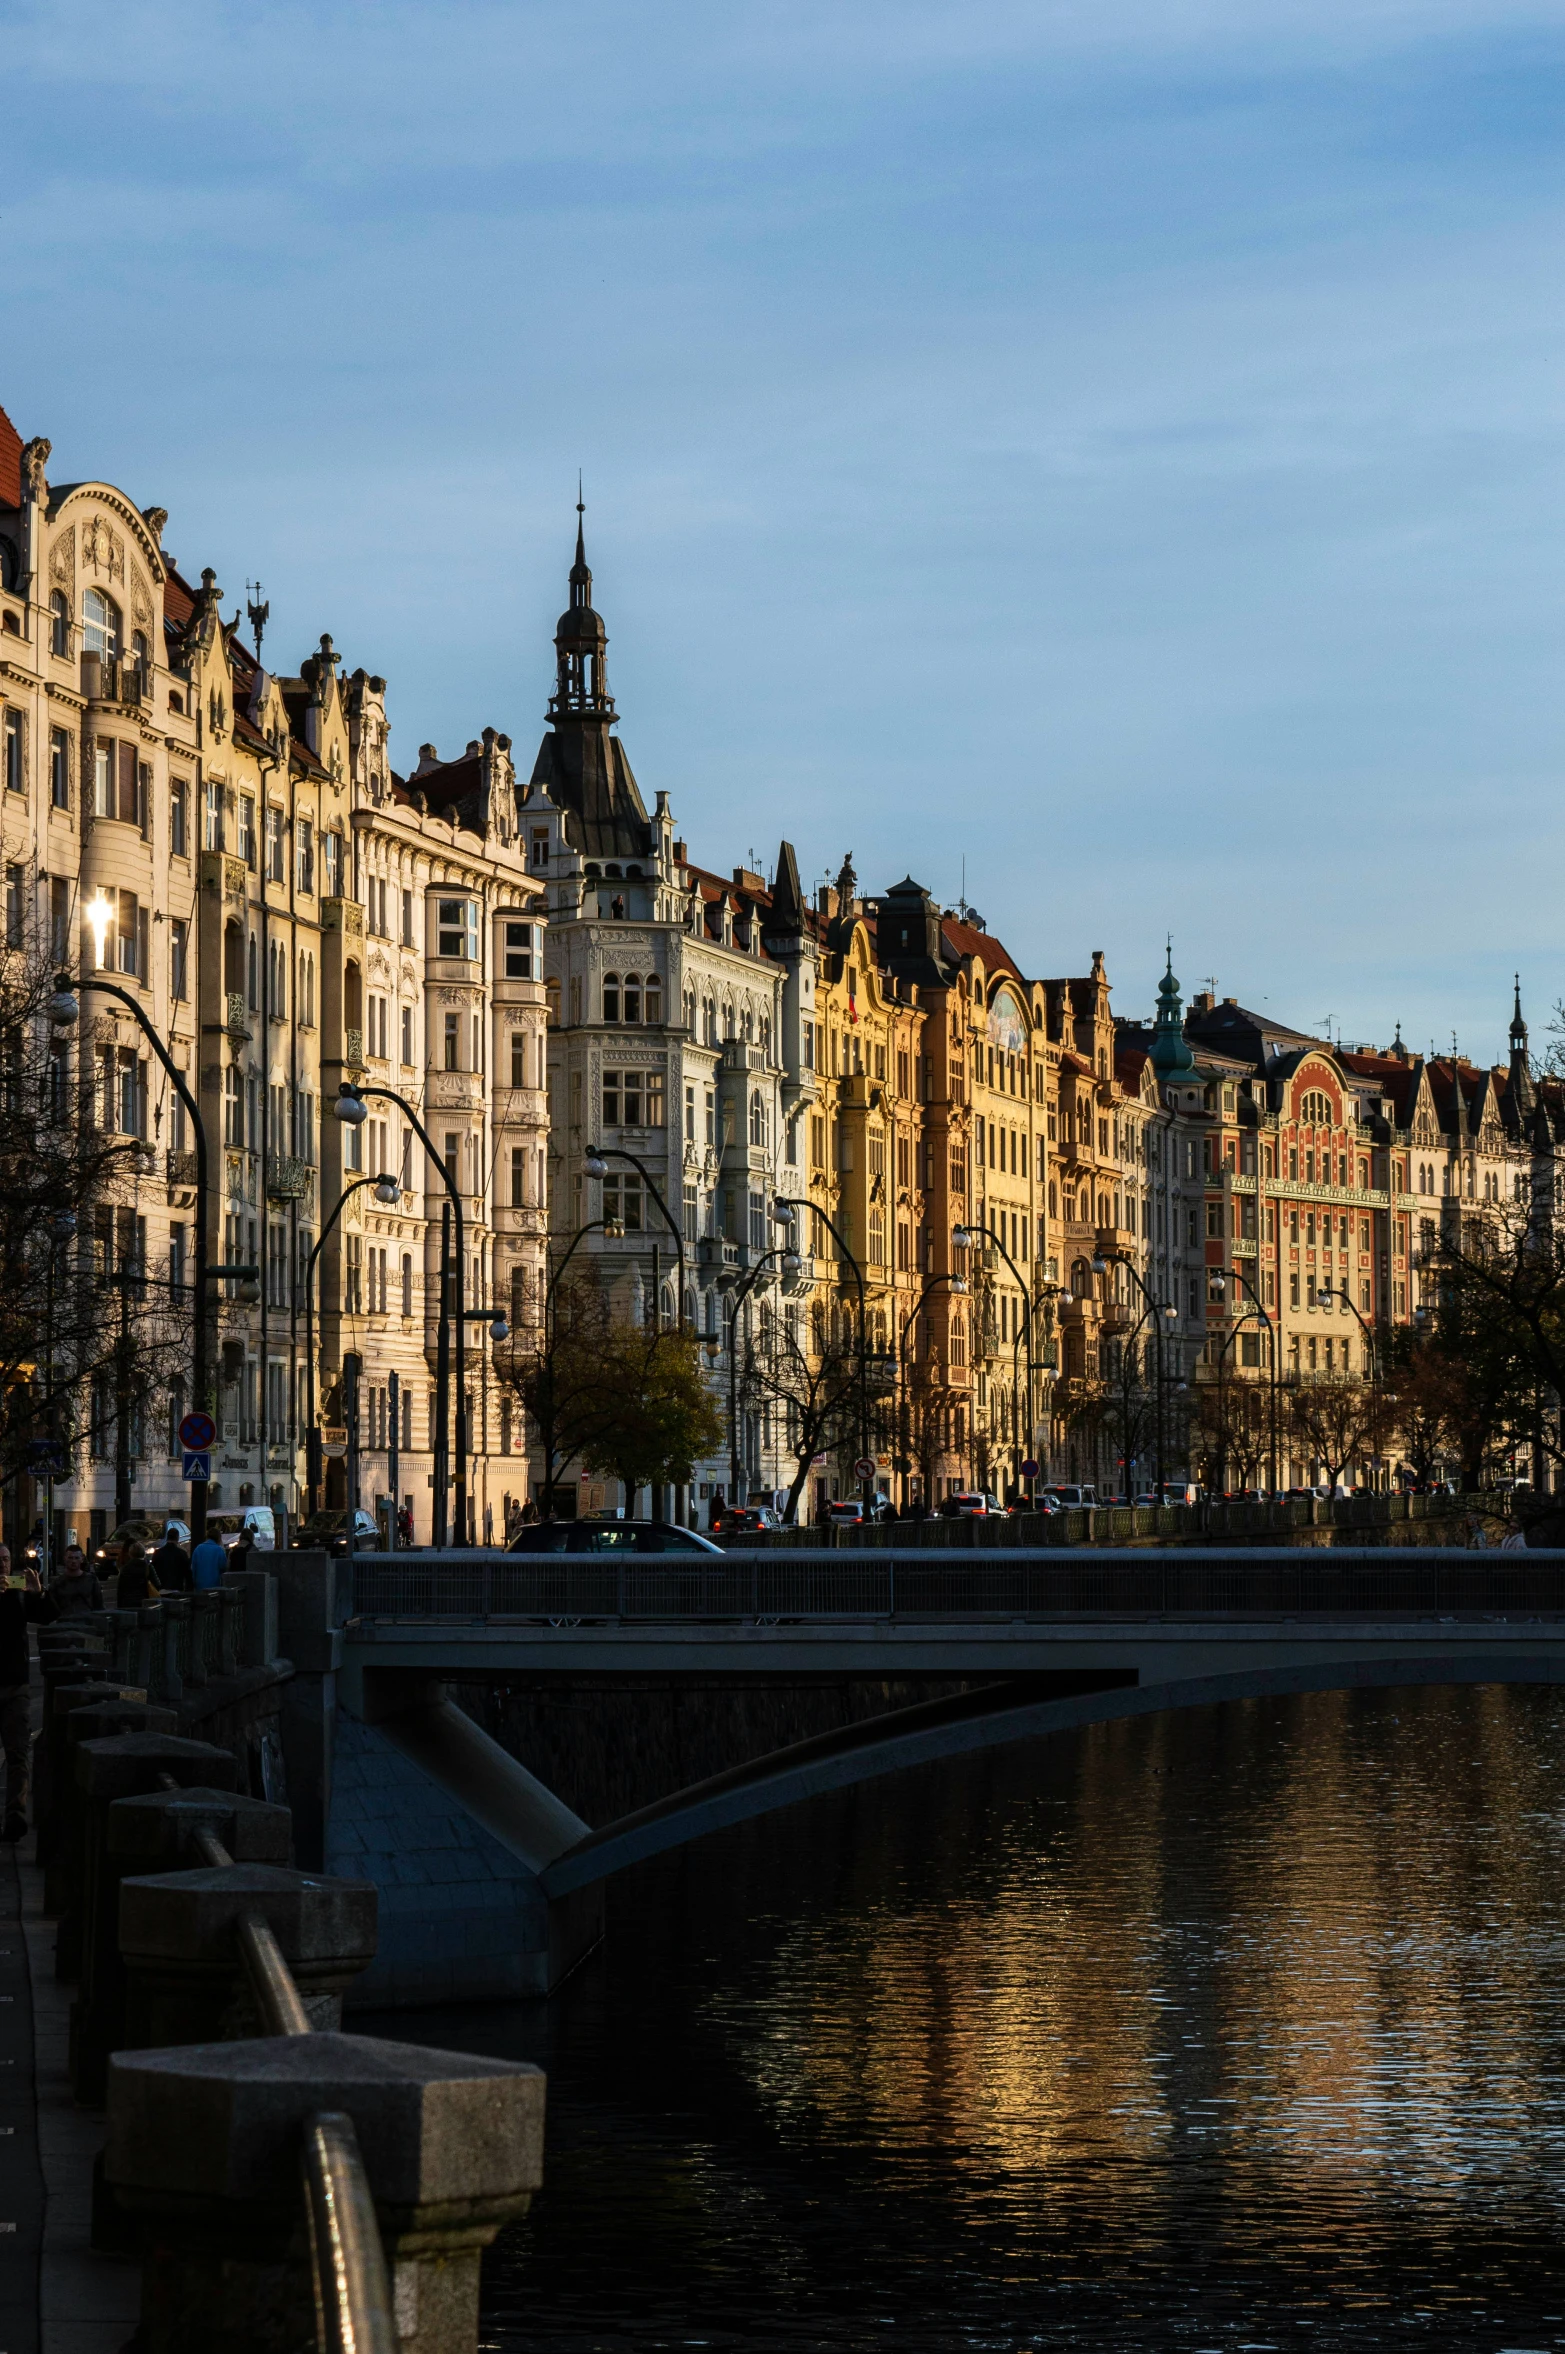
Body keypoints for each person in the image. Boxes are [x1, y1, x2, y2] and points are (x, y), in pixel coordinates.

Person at [0, 1542, 58, 1841]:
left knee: (18, 1753)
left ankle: (15, 1815)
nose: (3, 1566)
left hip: (16, 1684)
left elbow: (48, 1616)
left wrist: (39, 1593)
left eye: (7, 1560)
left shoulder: (18, 1587)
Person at [47, 1546, 104, 1619]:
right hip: (64, 1623)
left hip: (87, 1622)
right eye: (70, 1558)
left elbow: (99, 1605)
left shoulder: (91, 1580)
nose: (73, 1561)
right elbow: (51, 1608)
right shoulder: (57, 1583)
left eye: (76, 1558)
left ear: (82, 1559)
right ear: (65, 1558)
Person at [115, 1543, 158, 1610]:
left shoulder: (125, 1568)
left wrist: (120, 1607)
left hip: (128, 1603)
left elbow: (120, 1589)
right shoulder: (148, 1567)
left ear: (130, 1554)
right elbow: (156, 1584)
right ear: (144, 1553)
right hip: (145, 1602)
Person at [150, 1526, 191, 1593]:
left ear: (167, 1537)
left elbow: (153, 1572)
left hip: (161, 1589)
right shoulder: (182, 1553)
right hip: (177, 1588)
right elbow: (187, 1573)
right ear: (177, 1538)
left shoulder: (158, 1553)